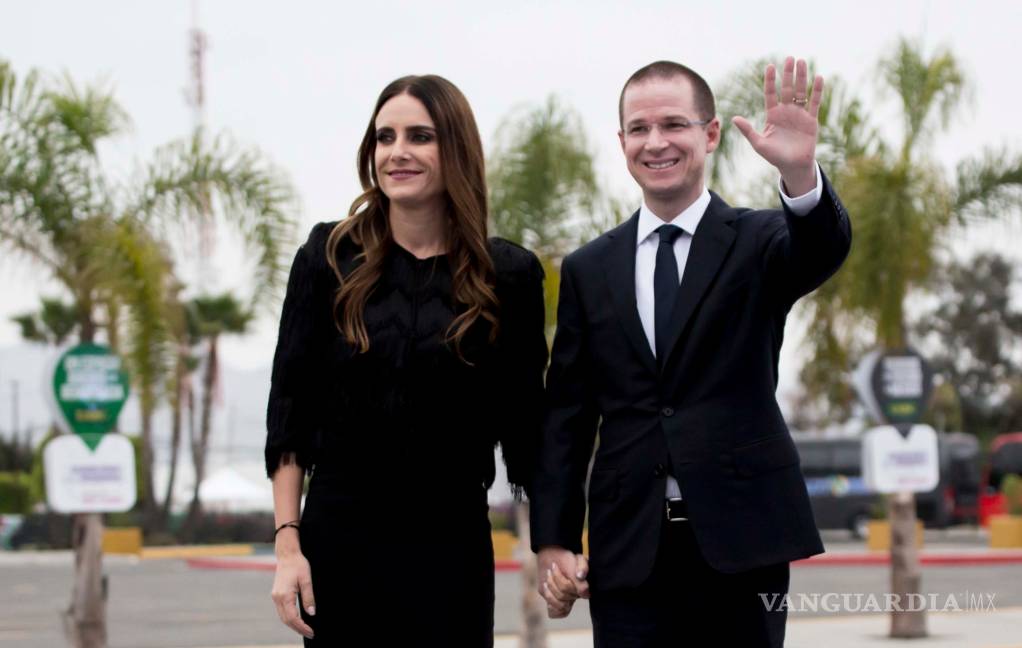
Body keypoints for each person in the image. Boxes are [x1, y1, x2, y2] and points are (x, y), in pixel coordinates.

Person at [531, 57, 852, 647]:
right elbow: (568, 417)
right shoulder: (589, 268)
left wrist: (802, 176)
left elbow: (819, 250)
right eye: (639, 128)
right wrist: (553, 538)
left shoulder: (758, 241)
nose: (656, 142)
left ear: (709, 134)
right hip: (628, 548)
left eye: (674, 125)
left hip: (743, 542)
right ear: (622, 140)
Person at [264, 74, 548, 646]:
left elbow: (529, 429)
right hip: (338, 541)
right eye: (384, 137)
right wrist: (287, 545)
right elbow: (290, 411)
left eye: (420, 136)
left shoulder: (508, 275)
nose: (397, 152)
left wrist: (555, 543)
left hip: (451, 545)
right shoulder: (327, 258)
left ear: (456, 149)